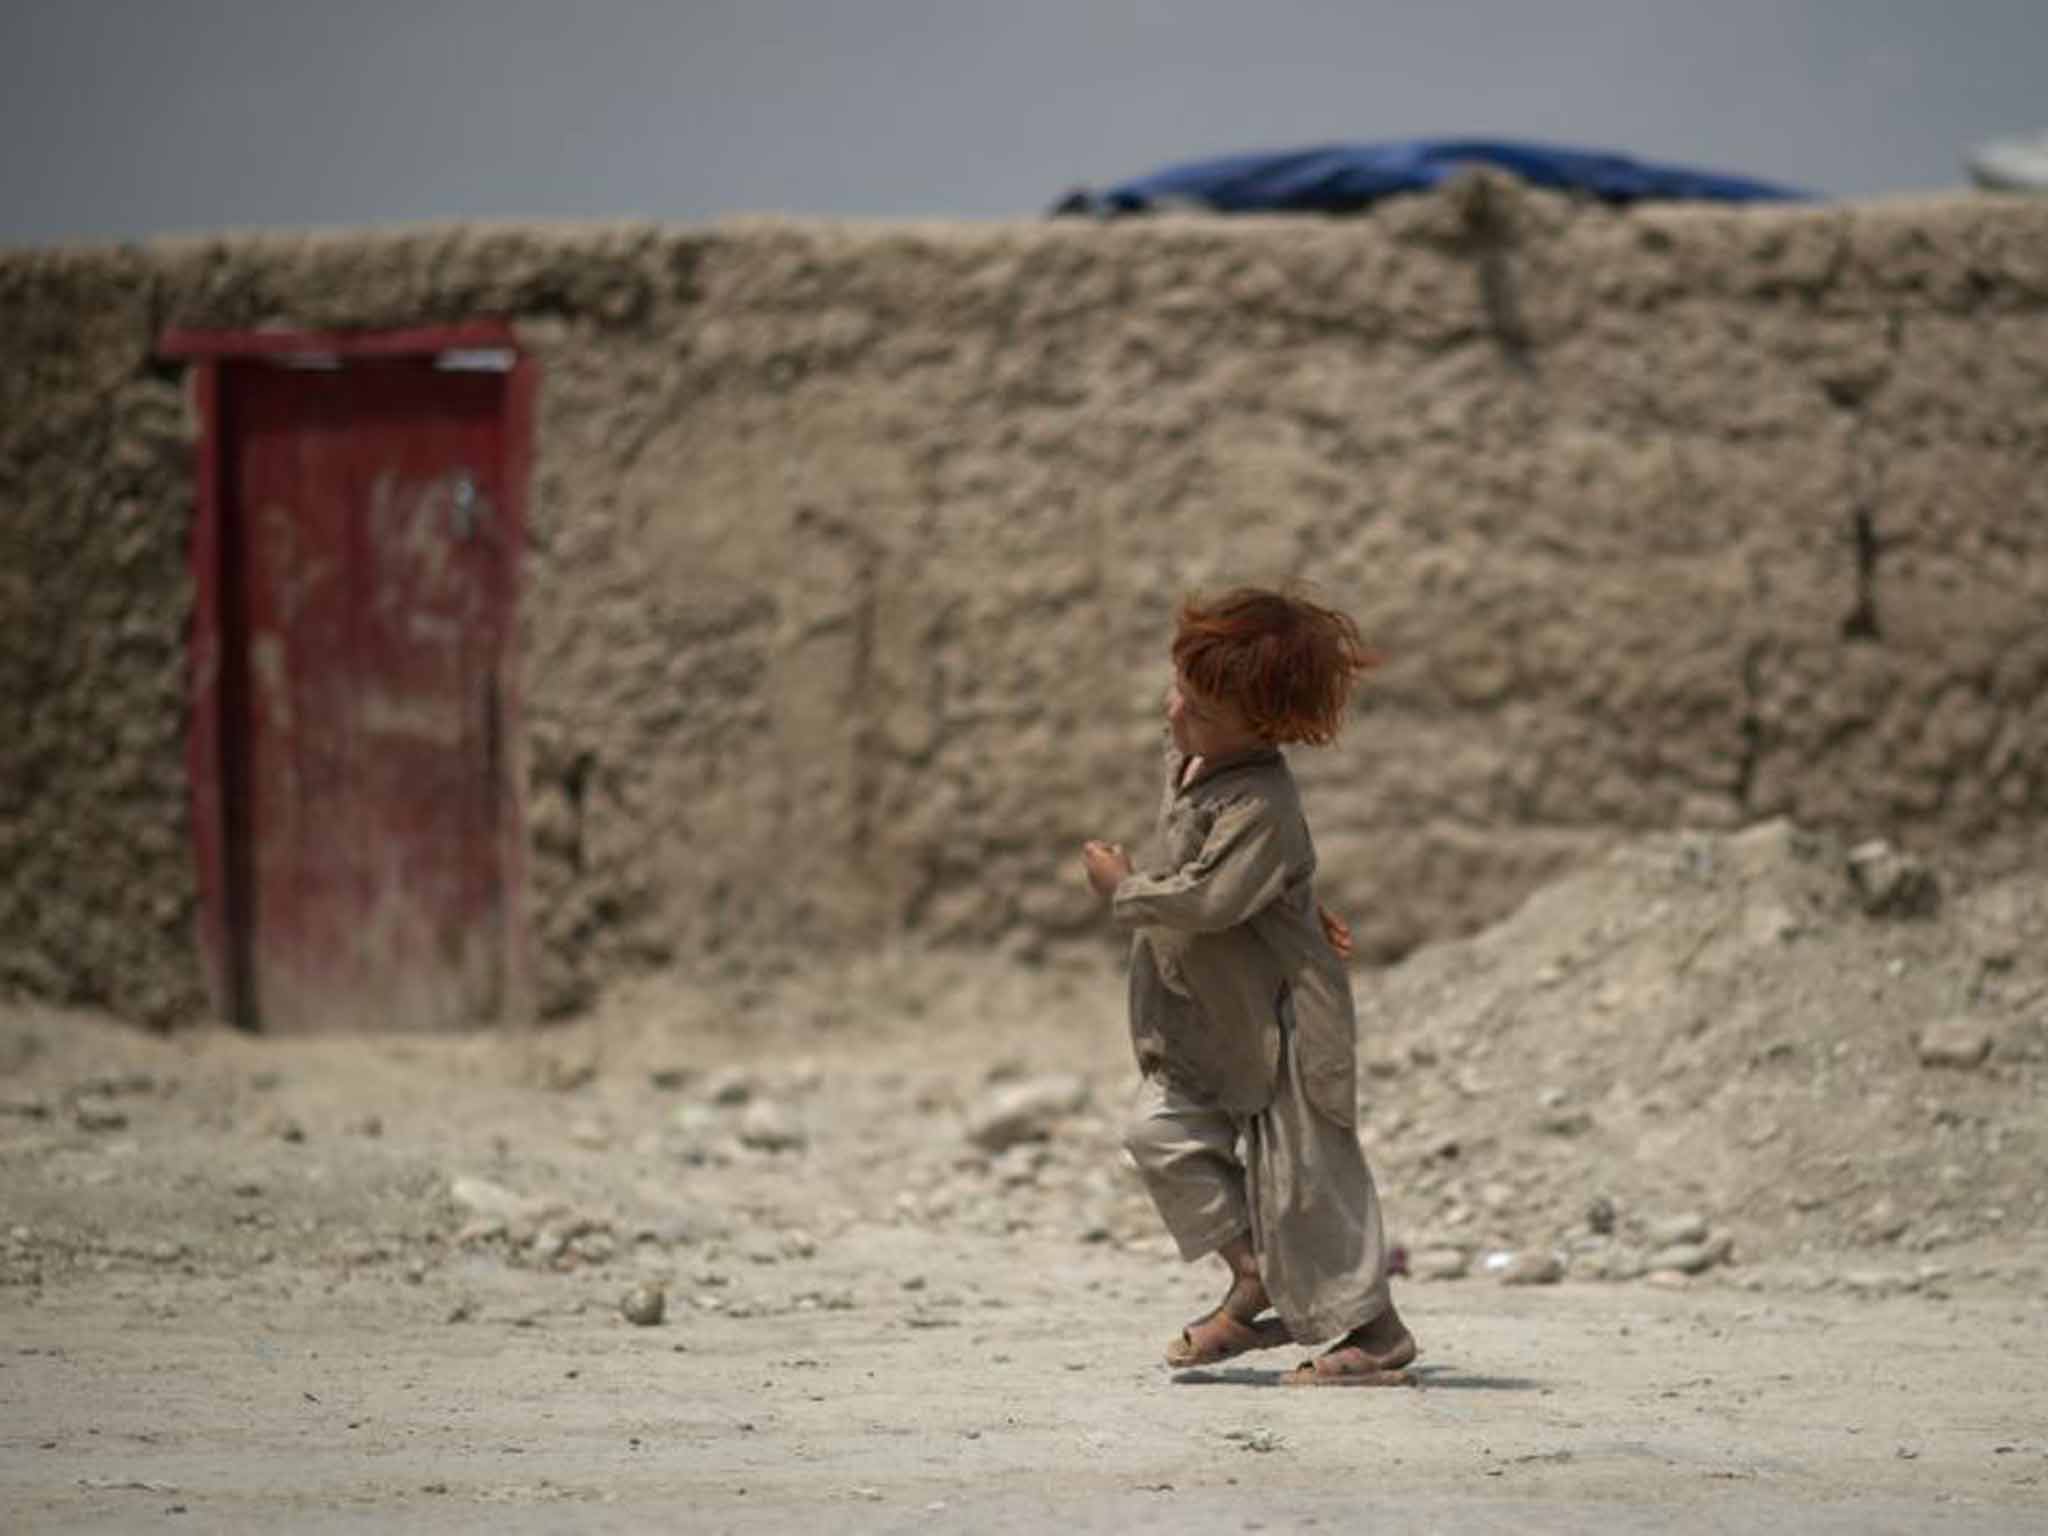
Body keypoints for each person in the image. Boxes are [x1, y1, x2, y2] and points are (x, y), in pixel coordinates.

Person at [1080, 586, 1416, 1385]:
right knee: (1160, 1134)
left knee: (1306, 1178)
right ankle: (1256, 1275)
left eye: (1197, 710)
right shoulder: (1197, 762)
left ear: (1263, 729)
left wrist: (1124, 888)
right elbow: (1258, 874)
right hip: (1219, 1016)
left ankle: (1374, 1332)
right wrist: (1297, 900)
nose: (1173, 716)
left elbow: (1210, 895)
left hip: (1288, 1021)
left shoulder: (1262, 797)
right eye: (1178, 695)